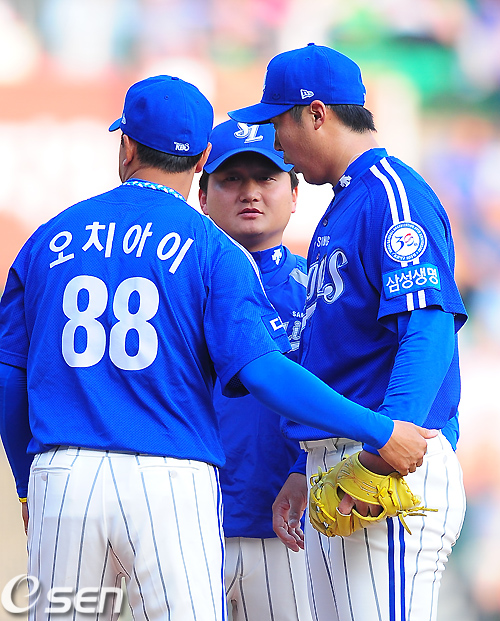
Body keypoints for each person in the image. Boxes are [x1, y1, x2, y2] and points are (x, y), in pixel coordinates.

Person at [0, 74, 433, 621]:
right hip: (170, 478)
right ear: (203, 160)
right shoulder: (212, 248)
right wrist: (378, 428)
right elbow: (262, 371)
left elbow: (9, 377)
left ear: (127, 147)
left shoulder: (48, 238)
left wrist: (26, 485)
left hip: (63, 473)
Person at [228, 43, 468, 621]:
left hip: (385, 459)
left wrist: (389, 448)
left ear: (316, 114)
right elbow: (340, 353)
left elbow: (428, 324)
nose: (276, 141)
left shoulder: (391, 192)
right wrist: (299, 467)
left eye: (278, 122)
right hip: (340, 461)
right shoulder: (343, 205)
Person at [199, 118, 312, 621]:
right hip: (186, 525)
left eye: (266, 177)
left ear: (295, 194)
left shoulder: (322, 290)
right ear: (203, 196)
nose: (250, 192)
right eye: (231, 179)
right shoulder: (177, 286)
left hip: (292, 529)